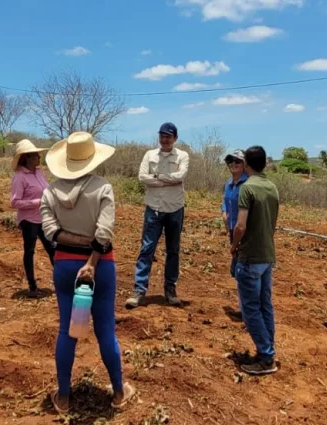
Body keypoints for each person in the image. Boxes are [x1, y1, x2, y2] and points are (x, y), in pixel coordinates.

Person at [40, 131, 135, 413]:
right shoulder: (103, 188)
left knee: (66, 330)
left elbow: (51, 232)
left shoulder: (49, 192)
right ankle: (118, 392)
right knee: (106, 329)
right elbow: (104, 233)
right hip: (101, 265)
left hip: (65, 265)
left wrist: (77, 243)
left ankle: (65, 398)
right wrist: (92, 258)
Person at [126, 123, 189, 309]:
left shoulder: (183, 156)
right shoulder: (149, 155)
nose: (165, 139)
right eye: (162, 136)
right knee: (147, 249)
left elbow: (181, 176)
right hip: (153, 208)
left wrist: (157, 178)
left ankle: (170, 289)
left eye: (168, 136)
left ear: (175, 138)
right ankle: (139, 290)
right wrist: (167, 180)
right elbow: (142, 177)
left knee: (173, 250)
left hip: (175, 208)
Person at [231, 146, 279, 375]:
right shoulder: (272, 187)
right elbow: (273, 224)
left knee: (250, 309)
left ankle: (266, 357)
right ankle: (268, 349)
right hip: (268, 254)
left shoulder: (247, 188)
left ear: (247, 164)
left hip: (250, 256)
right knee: (265, 304)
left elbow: (240, 225)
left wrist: (233, 245)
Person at [10, 139, 55, 296]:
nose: (39, 158)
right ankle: (32, 287)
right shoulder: (19, 177)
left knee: (52, 249)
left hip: (43, 218)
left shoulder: (39, 173)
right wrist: (38, 202)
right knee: (29, 251)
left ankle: (62, 281)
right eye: (36, 155)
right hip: (29, 220)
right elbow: (15, 202)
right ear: (27, 157)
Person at [222, 149, 248, 321]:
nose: (233, 164)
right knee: (237, 269)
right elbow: (225, 202)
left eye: (237, 161)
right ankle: (244, 307)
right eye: (230, 161)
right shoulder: (229, 184)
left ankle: (247, 310)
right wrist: (223, 212)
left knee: (243, 269)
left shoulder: (248, 185)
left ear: (245, 164)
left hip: (244, 231)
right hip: (232, 229)